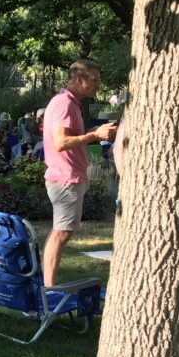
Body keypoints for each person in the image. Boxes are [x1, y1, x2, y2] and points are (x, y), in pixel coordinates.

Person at [42, 59, 117, 287]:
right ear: (78, 80)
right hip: (66, 179)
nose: (97, 85)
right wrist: (95, 136)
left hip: (67, 177)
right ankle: (49, 289)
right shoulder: (64, 103)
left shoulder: (69, 102)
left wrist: (93, 132)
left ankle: (46, 284)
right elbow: (61, 142)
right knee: (61, 234)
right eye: (94, 80)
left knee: (59, 233)